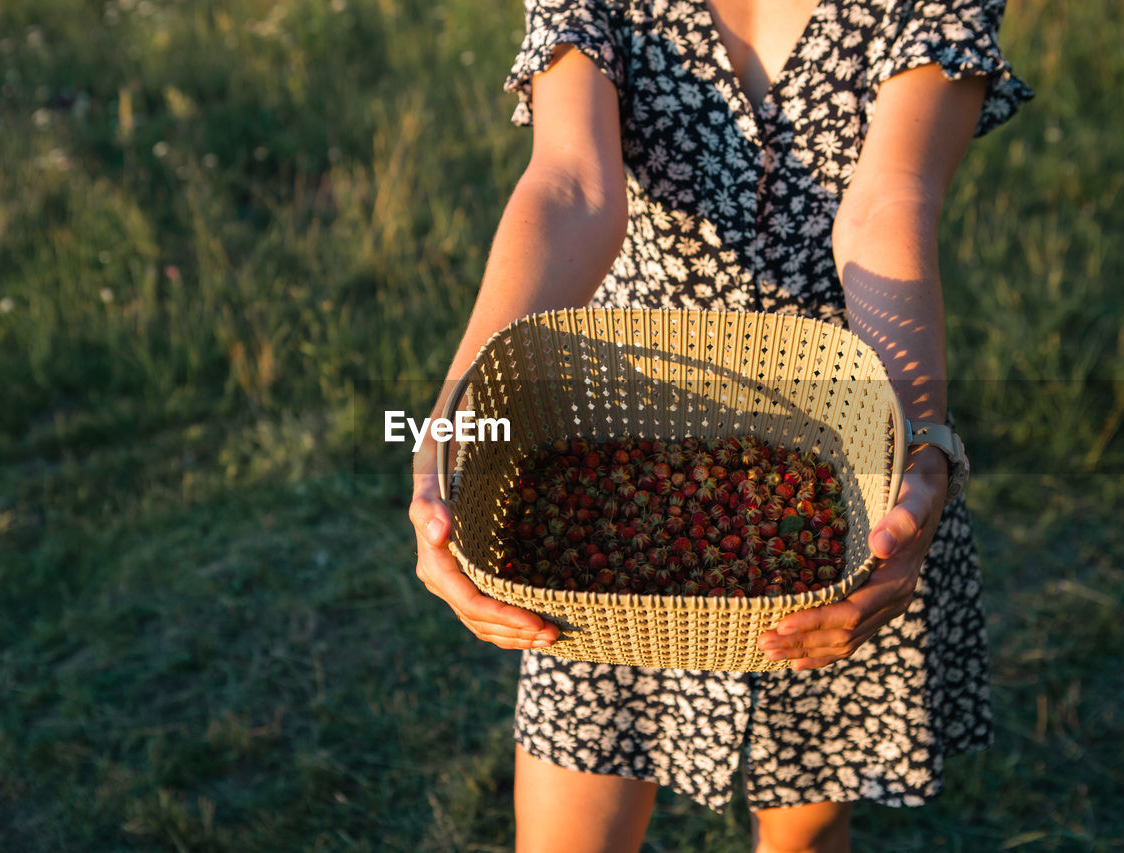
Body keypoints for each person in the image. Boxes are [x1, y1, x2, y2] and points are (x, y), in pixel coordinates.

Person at [409, 0, 1032, 849]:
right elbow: (572, 186)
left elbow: (889, 198)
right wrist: (459, 411)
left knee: (804, 833)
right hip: (618, 461)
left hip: (839, 481)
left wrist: (918, 440)